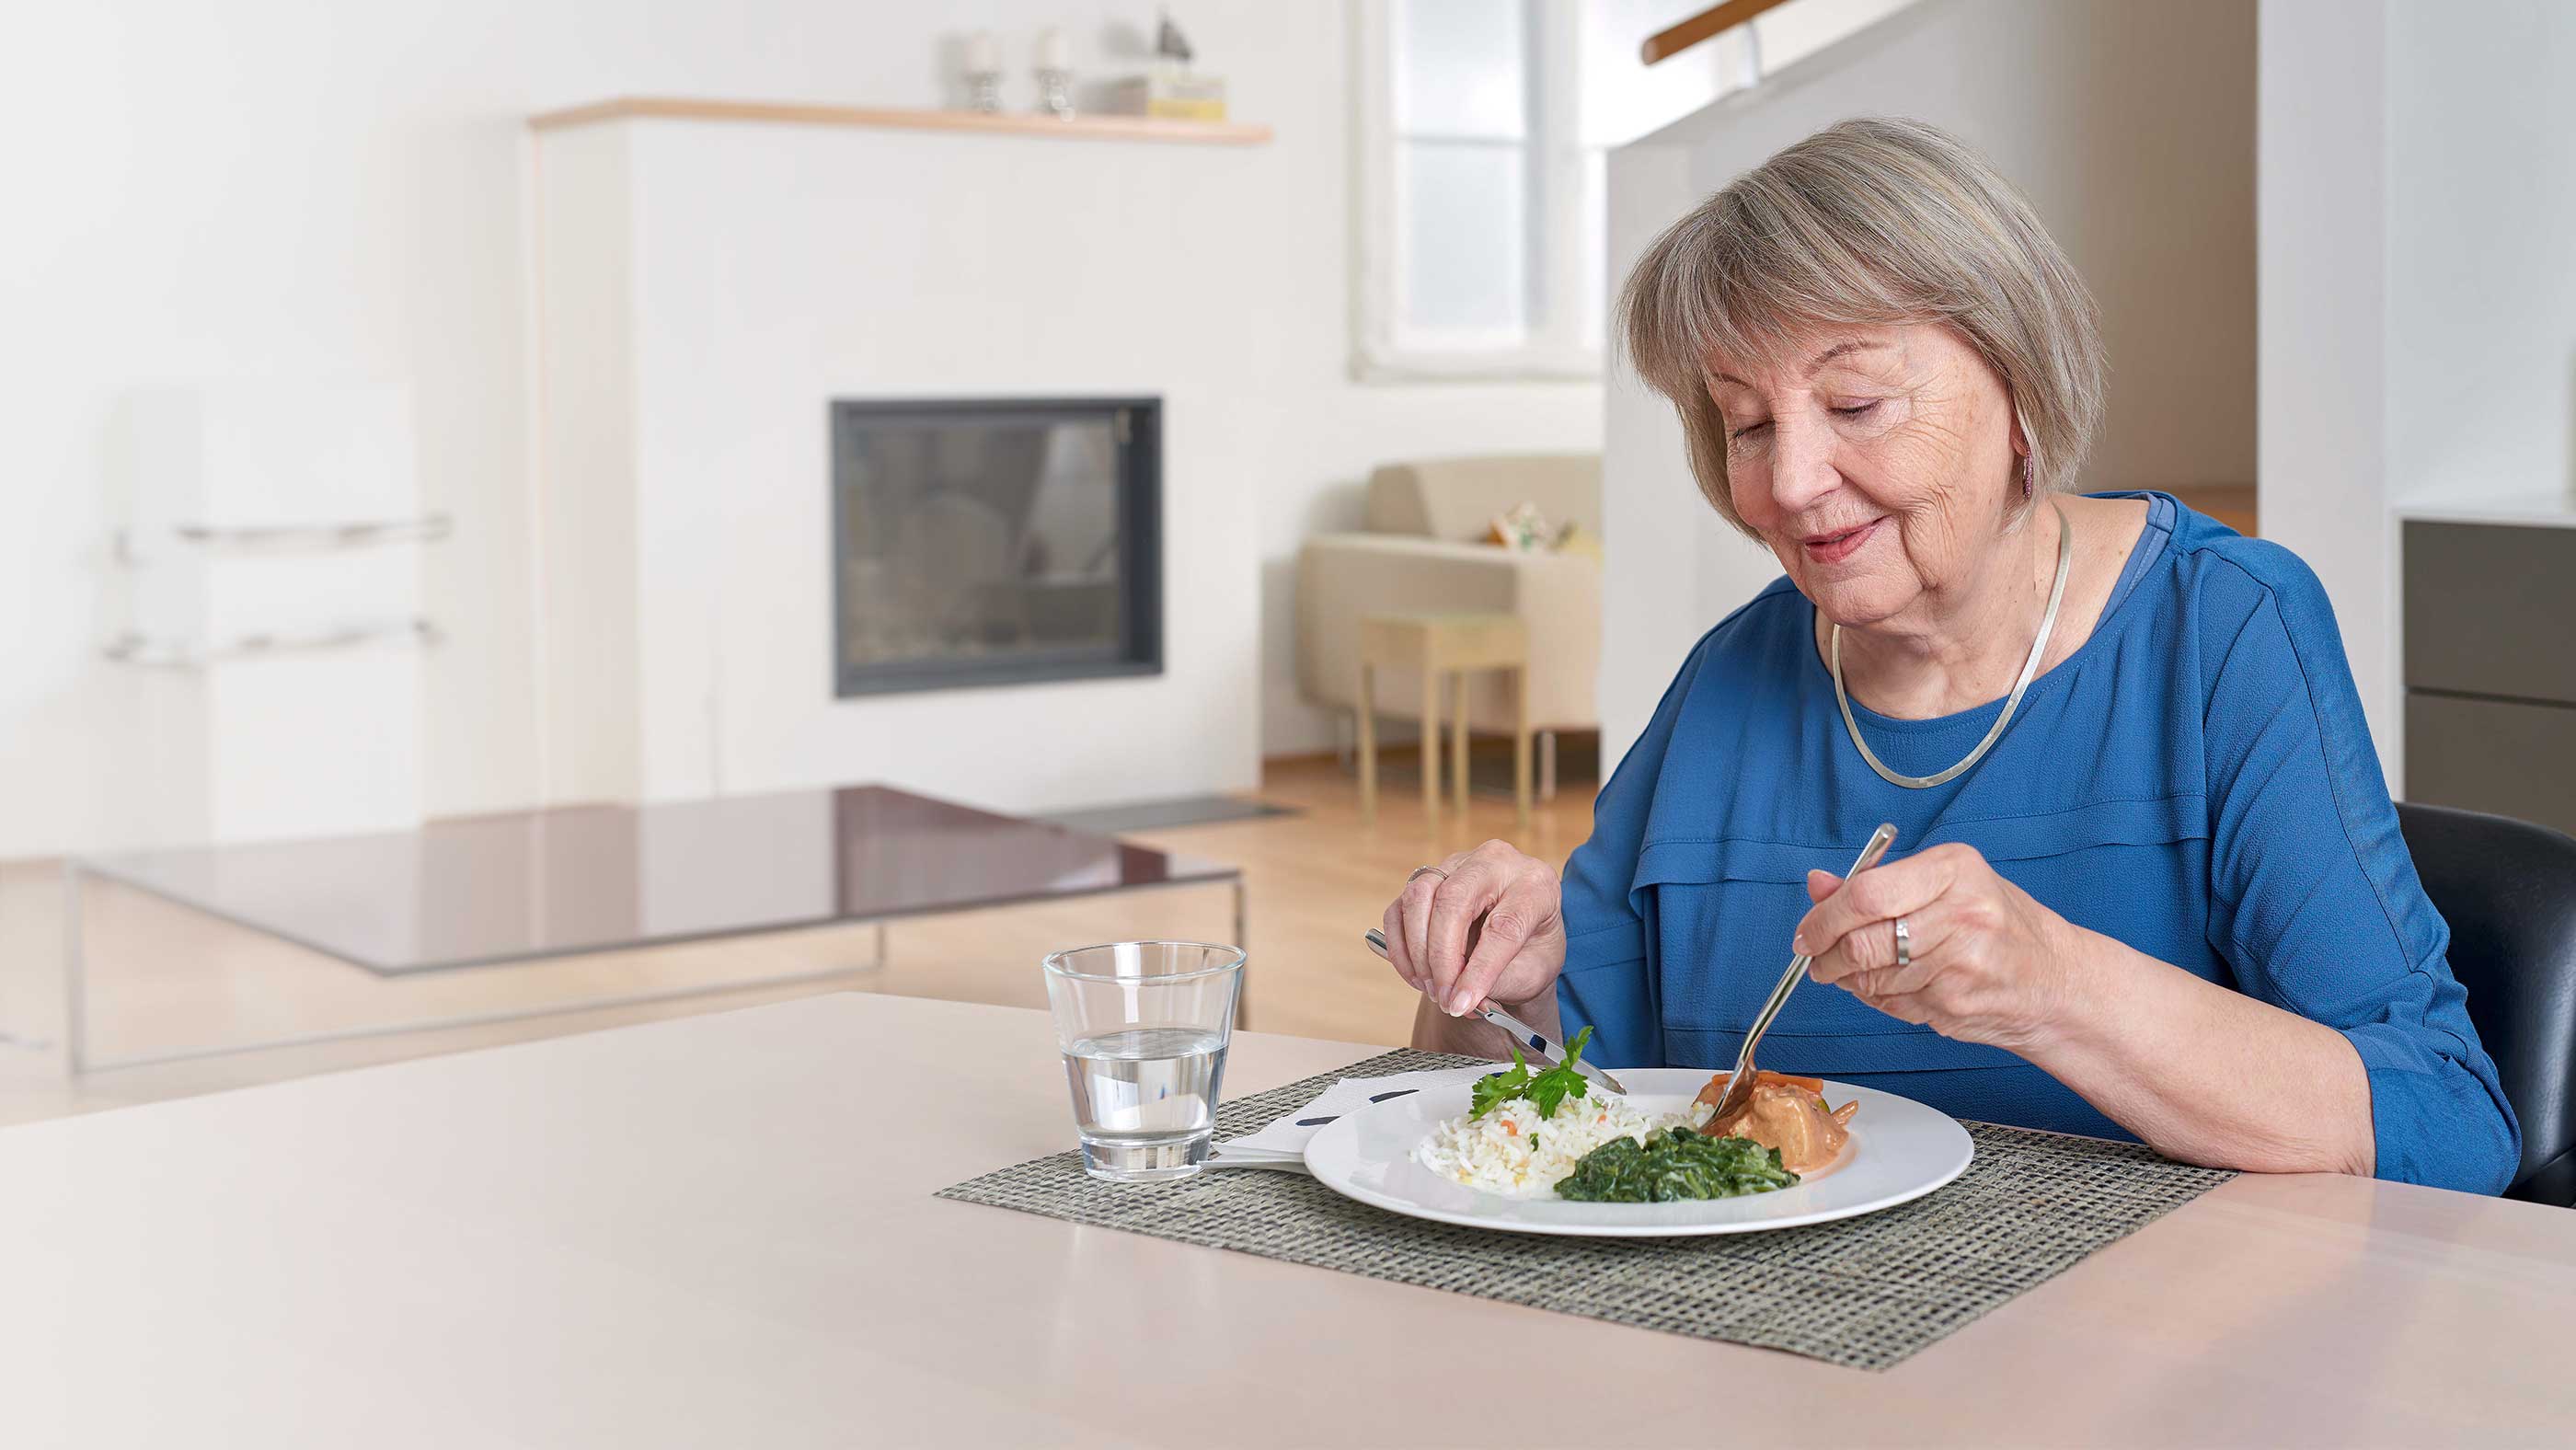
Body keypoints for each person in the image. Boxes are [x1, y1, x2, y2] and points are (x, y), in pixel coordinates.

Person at [1376, 118, 2518, 1193]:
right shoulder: (1727, 681)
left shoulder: (2223, 632)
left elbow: (2446, 1124)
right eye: (1748, 425)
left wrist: (2055, 987)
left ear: (2018, 387)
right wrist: (1493, 983)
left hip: (2143, 1362)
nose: (1788, 482)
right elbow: (1551, 1101)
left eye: (1857, 402)